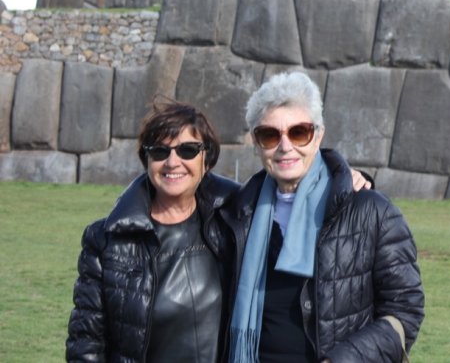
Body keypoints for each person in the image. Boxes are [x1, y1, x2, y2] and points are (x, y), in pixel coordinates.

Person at [66, 99, 370, 362]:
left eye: (188, 150)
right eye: (159, 151)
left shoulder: (234, 217)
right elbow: (86, 344)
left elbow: (294, 184)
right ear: (146, 159)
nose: (173, 162)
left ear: (206, 158)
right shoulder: (107, 240)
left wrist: (344, 179)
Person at [227, 71, 424, 362]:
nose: (285, 146)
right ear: (256, 143)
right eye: (269, 135)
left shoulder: (370, 211)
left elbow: (405, 309)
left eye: (299, 132)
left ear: (318, 135)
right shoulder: (237, 214)